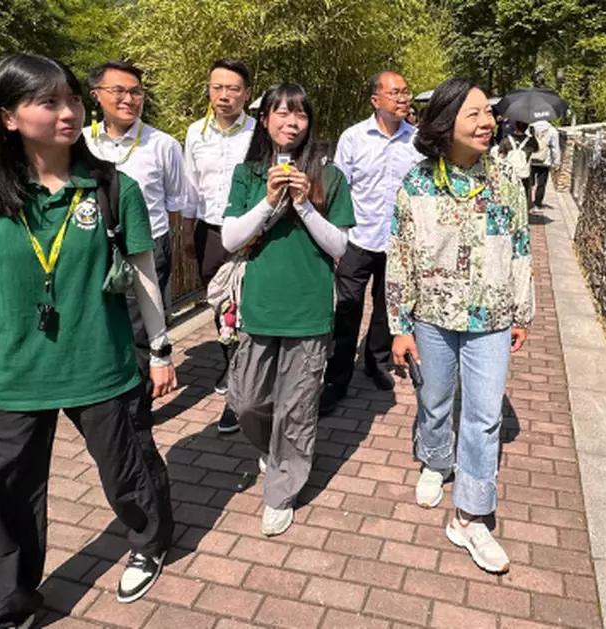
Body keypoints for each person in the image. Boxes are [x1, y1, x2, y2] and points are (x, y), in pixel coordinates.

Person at [0, 55, 177, 629]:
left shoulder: (113, 187)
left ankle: (149, 539)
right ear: (9, 117)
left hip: (103, 365)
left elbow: (143, 276)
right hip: (10, 378)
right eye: (48, 101)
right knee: (2, 504)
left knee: (128, 471)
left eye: (71, 98)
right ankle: (4, 607)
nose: (68, 112)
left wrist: (162, 351)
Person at [386, 77, 534, 575]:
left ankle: (471, 517)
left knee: (484, 416)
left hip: (490, 317)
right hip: (432, 316)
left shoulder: (507, 182)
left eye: (487, 114)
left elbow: (519, 249)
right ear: (446, 124)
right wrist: (399, 325)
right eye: (473, 114)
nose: (486, 122)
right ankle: (434, 458)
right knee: (435, 399)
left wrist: (521, 312)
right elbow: (399, 256)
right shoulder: (418, 183)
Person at [221, 83, 355, 537]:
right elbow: (230, 239)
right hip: (259, 305)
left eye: (299, 115)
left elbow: (340, 245)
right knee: (246, 400)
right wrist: (269, 201)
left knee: (296, 409)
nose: (291, 123)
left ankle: (282, 489)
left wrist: (303, 205)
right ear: (265, 121)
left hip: (309, 308)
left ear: (309, 123)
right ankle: (274, 451)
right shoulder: (248, 172)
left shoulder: (329, 176)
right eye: (281, 114)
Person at [319, 71, 422, 415]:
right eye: (394, 93)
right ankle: (337, 377)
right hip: (358, 239)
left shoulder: (416, 141)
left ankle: (376, 363)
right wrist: (336, 237)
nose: (402, 98)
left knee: (384, 309)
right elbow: (338, 188)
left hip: (397, 244)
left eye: (406, 92)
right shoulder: (353, 138)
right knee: (347, 309)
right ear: (375, 100)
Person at [181, 58, 256, 434]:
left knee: (249, 302)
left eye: (232, 88)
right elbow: (190, 185)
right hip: (210, 231)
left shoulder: (259, 132)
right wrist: (188, 233)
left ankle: (244, 379)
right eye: (216, 87)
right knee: (219, 302)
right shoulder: (196, 132)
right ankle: (232, 359)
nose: (223, 95)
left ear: (247, 93)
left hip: (250, 233)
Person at [85, 60, 188, 298]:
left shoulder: (164, 145)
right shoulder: (81, 142)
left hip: (147, 248)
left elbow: (173, 205)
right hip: (90, 249)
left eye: (136, 92)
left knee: (140, 325)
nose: (129, 100)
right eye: (119, 91)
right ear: (96, 95)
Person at [527, 118, 561, 210]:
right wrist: (556, 162)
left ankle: (528, 202)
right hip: (545, 161)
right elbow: (555, 149)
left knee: (529, 183)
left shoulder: (530, 127)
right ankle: (537, 204)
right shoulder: (552, 130)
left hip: (531, 160)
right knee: (541, 184)